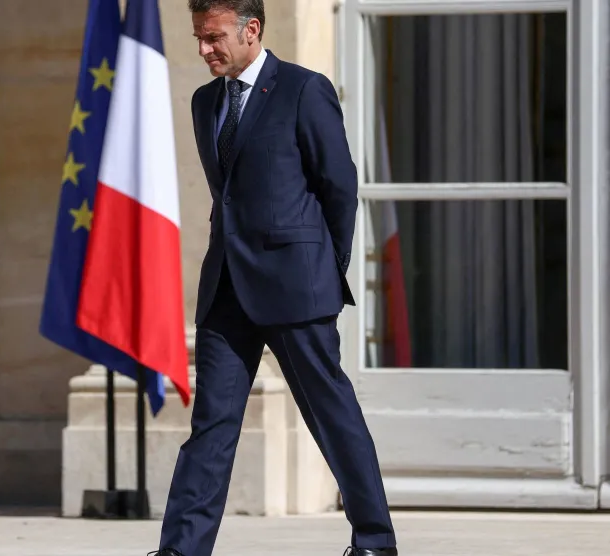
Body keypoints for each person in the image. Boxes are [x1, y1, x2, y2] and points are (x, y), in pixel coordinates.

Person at [149, 2, 398, 555]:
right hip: (226, 290)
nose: (203, 49)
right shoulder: (203, 102)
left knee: (331, 416)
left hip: (298, 287)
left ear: (251, 29)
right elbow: (228, 195)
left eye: (213, 37)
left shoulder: (305, 90)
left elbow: (339, 187)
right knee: (210, 428)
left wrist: (326, 273)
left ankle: (376, 542)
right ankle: (182, 549)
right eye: (198, 38)